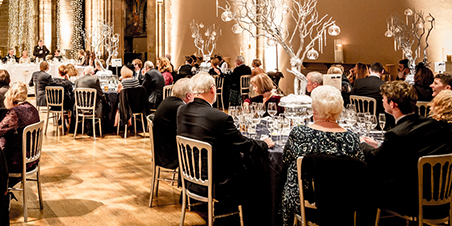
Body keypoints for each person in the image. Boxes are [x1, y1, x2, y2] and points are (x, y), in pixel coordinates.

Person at [177, 73, 273, 225]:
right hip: (218, 181)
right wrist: (264, 144)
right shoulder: (219, 117)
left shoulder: (181, 111)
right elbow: (244, 144)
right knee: (260, 171)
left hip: (190, 176)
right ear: (212, 90)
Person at [361, 81, 452, 219]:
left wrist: (362, 144)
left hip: (410, 202)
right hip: (440, 196)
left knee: (363, 181)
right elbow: (409, 152)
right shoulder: (432, 124)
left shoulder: (397, 134)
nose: (383, 102)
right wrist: (379, 145)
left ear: (393, 104)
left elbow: (375, 160)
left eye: (384, 99)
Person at [281, 85, 364, 226]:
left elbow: (286, 160)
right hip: (344, 202)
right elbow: (360, 168)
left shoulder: (299, 133)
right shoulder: (352, 138)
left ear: (314, 109)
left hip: (307, 201)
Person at [0, 82, 40, 183]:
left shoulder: (15, 113)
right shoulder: (32, 108)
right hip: (32, 158)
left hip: (16, 162)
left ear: (12, 96)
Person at [152, 78, 193, 169]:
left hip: (160, 152)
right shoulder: (180, 108)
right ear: (189, 96)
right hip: (170, 157)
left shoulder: (167, 101)